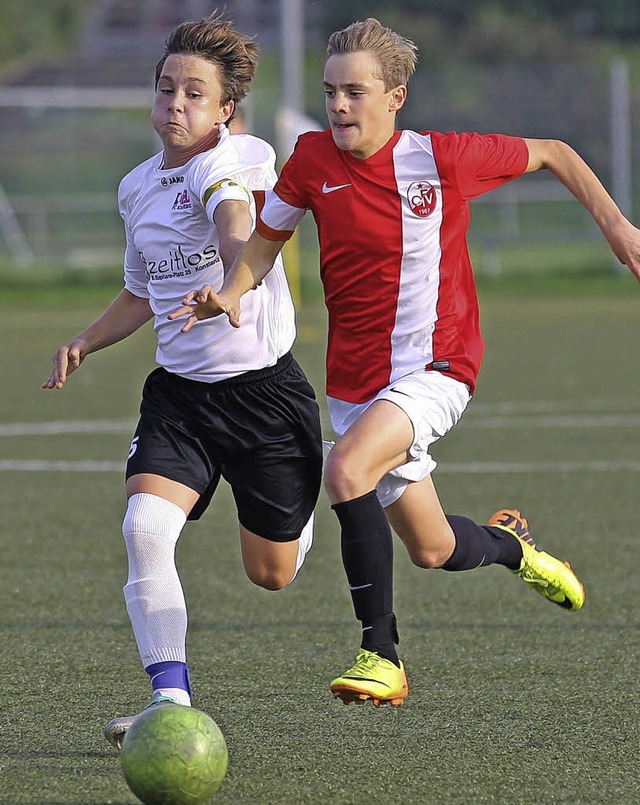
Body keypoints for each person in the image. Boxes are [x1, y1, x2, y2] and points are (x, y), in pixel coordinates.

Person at [168, 18, 640, 707]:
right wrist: (230, 293)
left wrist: (619, 228)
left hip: (438, 365)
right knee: (435, 546)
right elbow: (264, 249)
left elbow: (554, 152)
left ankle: (381, 655)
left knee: (347, 468)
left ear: (397, 97)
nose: (338, 107)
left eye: (355, 93)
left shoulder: (442, 158)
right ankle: (516, 547)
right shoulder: (310, 161)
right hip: (356, 386)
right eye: (331, 92)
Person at [42, 12, 322, 746]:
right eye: (166, 88)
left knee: (274, 573)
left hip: (264, 395)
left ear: (226, 108)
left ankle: (305, 506)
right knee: (143, 526)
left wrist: (235, 277)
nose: (175, 103)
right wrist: (86, 339)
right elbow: (141, 291)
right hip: (180, 399)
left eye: (195, 93)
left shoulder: (237, 157)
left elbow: (234, 218)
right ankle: (169, 695)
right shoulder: (136, 187)